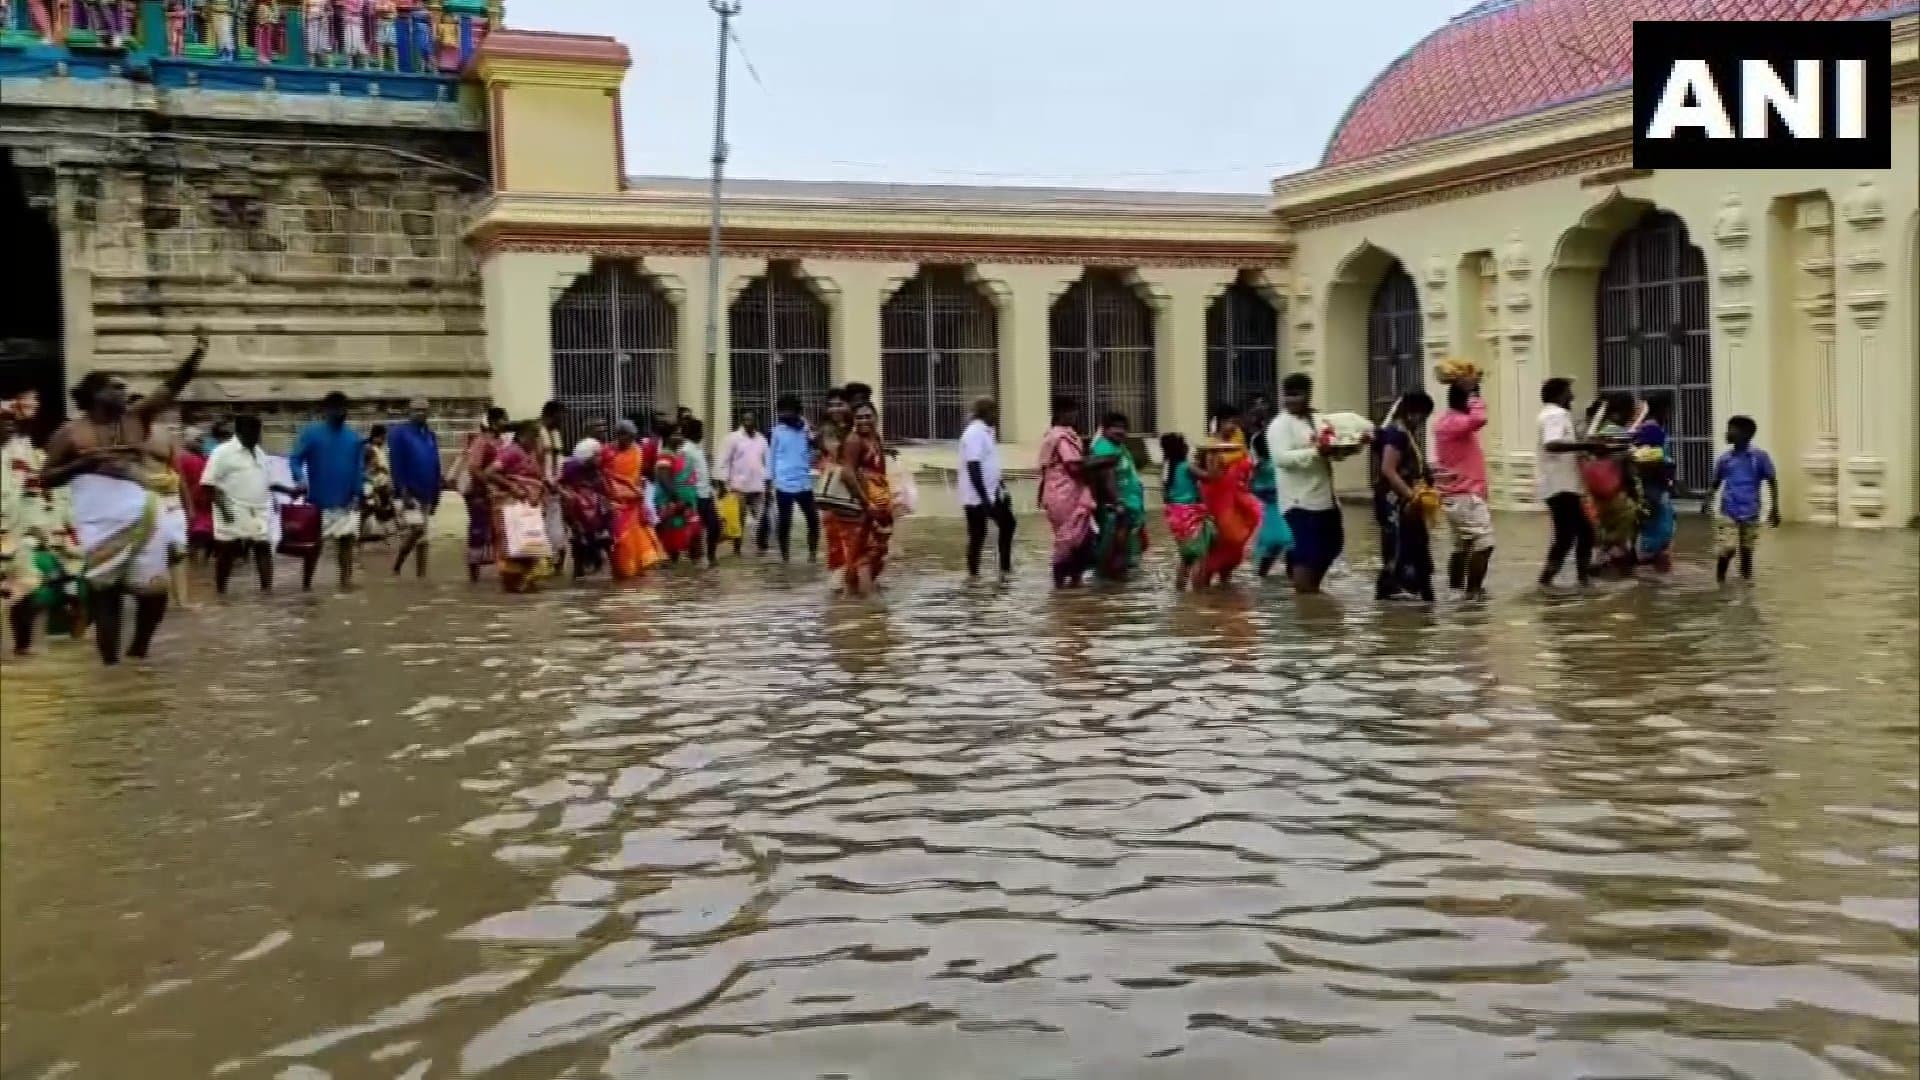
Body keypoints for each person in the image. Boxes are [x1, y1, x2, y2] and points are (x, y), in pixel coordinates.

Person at [40, 328, 208, 665]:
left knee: (155, 595)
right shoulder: (70, 433)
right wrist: (84, 464)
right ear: (95, 394)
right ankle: (112, 671)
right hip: (99, 523)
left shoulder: (135, 419)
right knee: (107, 598)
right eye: (115, 387)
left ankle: (138, 654)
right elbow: (44, 478)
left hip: (144, 514)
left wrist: (196, 356)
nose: (124, 391)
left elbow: (170, 388)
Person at [2, 390, 84, 656]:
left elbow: (35, 499)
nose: (8, 426)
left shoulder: (27, 456)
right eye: (4, 421)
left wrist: (49, 536)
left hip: (20, 539)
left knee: (28, 594)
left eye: (12, 422)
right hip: (10, 537)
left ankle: (22, 650)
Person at [1267, 372, 1358, 595]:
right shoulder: (1279, 426)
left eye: (1297, 395)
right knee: (1306, 553)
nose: (1291, 400)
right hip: (1299, 502)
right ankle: (1303, 599)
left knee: (1332, 546)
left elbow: (1333, 450)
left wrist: (1348, 448)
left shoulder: (1318, 420)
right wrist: (1315, 452)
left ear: (1308, 395)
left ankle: (1311, 592)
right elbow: (1281, 459)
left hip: (1326, 498)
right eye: (1287, 395)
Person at [203, 414, 299, 594]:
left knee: (263, 548)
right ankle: (221, 592)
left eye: (258, 433)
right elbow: (208, 484)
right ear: (240, 432)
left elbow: (268, 482)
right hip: (231, 509)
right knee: (226, 553)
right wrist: (224, 511)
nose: (257, 437)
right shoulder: (222, 452)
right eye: (253, 433)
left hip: (259, 511)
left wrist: (290, 491)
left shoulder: (259, 452)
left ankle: (266, 592)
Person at [288, 391, 367, 591]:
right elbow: (295, 459)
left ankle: (345, 583)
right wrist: (300, 478)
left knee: (347, 543)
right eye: (335, 409)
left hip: (347, 502)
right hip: (318, 502)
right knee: (313, 547)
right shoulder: (311, 433)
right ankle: (306, 585)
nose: (340, 413)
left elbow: (358, 469)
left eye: (343, 409)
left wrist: (358, 494)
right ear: (326, 410)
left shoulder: (353, 438)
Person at [1535, 377, 1609, 590]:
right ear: (1559, 394)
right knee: (1579, 534)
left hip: (1559, 484)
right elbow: (1552, 444)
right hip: (1561, 486)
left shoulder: (1549, 415)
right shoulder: (1555, 416)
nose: (1572, 397)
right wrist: (1586, 445)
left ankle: (1557, 580)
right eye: (1569, 392)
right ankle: (1575, 580)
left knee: (1571, 535)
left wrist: (1584, 447)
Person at [1372, 391, 1438, 601]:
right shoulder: (1397, 433)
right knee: (1399, 545)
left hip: (1406, 500)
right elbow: (1388, 470)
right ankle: (1395, 588)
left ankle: (1418, 590)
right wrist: (1411, 496)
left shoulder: (1405, 432)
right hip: (1397, 501)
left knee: (1416, 543)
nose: (1422, 421)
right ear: (1413, 412)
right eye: (1423, 415)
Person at [1433, 373, 1494, 597]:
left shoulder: (1445, 422)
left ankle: (1456, 592)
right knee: (1484, 544)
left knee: (1462, 547)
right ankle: (1473, 593)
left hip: (1456, 495)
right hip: (1464, 495)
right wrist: (1474, 394)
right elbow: (1479, 420)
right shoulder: (1454, 422)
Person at [1193, 405, 1263, 589]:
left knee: (1235, 545)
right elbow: (1210, 473)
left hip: (1238, 497)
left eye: (1235, 421)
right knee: (1221, 539)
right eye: (1229, 422)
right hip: (1216, 499)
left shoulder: (1238, 441)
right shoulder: (1210, 445)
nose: (1233, 426)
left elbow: (1247, 465)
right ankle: (1202, 590)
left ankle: (1225, 590)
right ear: (1220, 422)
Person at [1703, 414, 1779, 585]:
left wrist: (1775, 509)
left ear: (1745, 434)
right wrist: (1707, 500)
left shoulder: (1759, 457)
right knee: (1728, 548)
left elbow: (1772, 481)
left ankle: (1746, 582)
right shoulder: (1724, 459)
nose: (1727, 433)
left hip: (1751, 511)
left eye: (1731, 430)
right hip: (1728, 510)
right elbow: (1716, 482)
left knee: (1747, 550)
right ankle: (1720, 582)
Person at [481, 420, 554, 593]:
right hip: (512, 509)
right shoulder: (511, 453)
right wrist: (513, 487)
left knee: (530, 547)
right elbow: (489, 472)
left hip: (528, 510)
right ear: (521, 437)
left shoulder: (531, 454)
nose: (536, 440)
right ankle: (514, 586)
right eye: (533, 436)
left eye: (538, 437)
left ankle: (524, 585)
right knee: (514, 548)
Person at [1037, 394, 1096, 588]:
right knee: (1070, 538)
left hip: (1063, 493)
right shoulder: (1059, 437)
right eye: (1072, 411)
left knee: (1079, 538)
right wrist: (1098, 464)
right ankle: (1061, 585)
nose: (1075, 415)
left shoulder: (1063, 435)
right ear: (1061, 413)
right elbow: (1073, 467)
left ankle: (1073, 584)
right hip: (1063, 494)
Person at [837, 400, 893, 596]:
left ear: (876, 418)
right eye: (859, 417)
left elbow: (879, 470)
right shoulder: (854, 440)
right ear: (853, 420)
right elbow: (847, 473)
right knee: (866, 553)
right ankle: (870, 606)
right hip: (862, 504)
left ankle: (849, 594)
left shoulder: (875, 438)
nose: (863, 421)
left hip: (878, 503)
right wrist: (866, 503)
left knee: (878, 550)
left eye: (868, 416)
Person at [1085, 412, 1146, 581]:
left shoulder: (1118, 446)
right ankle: (1113, 587)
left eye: (1124, 428)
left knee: (1121, 550)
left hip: (1128, 505)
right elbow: (1107, 479)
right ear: (1104, 429)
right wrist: (1118, 502)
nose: (1120, 431)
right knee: (1115, 550)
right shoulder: (1104, 449)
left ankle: (1116, 588)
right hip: (1117, 508)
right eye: (1116, 428)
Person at [1586, 392, 1642, 577]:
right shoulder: (1619, 434)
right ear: (1620, 412)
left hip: (1597, 494)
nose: (1631, 416)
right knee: (1621, 535)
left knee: (1605, 528)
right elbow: (1625, 467)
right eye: (1629, 411)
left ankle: (1599, 559)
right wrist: (1634, 493)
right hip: (1616, 492)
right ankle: (1607, 563)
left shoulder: (1598, 432)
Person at [386, 397, 441, 578]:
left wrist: (436, 494)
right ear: (409, 412)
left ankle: (421, 575)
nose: (421, 413)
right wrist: (403, 490)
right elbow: (396, 463)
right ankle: (397, 566)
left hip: (427, 491)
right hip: (409, 492)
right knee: (417, 530)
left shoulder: (430, 435)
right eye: (417, 410)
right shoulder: (399, 433)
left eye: (424, 410)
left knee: (424, 538)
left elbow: (435, 463)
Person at [960, 397, 1014, 578]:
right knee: (978, 535)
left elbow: (989, 464)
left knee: (1008, 524)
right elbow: (973, 466)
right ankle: (974, 574)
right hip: (978, 497)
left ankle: (1004, 569)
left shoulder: (986, 432)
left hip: (992, 492)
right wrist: (984, 498)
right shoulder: (974, 432)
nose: (997, 416)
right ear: (987, 412)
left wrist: (1002, 488)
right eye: (995, 412)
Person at [601, 419, 661, 580]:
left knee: (638, 538)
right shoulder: (607, 452)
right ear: (619, 435)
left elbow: (641, 474)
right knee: (621, 540)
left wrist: (639, 489)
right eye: (628, 437)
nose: (630, 441)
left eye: (633, 437)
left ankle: (636, 571)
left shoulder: (638, 451)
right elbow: (604, 476)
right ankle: (622, 571)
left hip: (634, 502)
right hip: (615, 502)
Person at [766, 392, 820, 562]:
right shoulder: (776, 432)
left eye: (788, 410)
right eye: (782, 411)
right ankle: (785, 557)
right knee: (785, 523)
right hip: (783, 484)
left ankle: (812, 555)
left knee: (813, 521)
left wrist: (810, 433)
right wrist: (769, 483)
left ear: (797, 411)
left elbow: (814, 449)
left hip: (804, 482)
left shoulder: (805, 429)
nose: (784, 414)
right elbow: (771, 457)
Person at [1245, 399, 1293, 578]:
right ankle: (1265, 573)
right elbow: (1253, 467)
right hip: (1270, 495)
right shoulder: (1258, 440)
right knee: (1281, 539)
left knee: (1284, 540)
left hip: (1280, 496)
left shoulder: (1279, 436)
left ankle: (1281, 572)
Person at [1632, 393, 1678, 573]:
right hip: (1653, 490)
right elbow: (1647, 461)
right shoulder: (1652, 430)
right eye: (1669, 409)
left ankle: (1649, 586)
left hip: (1653, 489)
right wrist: (1667, 477)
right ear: (1664, 409)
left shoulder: (1647, 429)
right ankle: (1652, 584)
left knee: (1656, 535)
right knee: (1658, 536)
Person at [1160, 432, 1212, 589]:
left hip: (1174, 514)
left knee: (1186, 554)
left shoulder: (1167, 467)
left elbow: (1165, 495)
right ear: (1180, 448)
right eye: (1185, 445)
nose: (1187, 447)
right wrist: (1212, 458)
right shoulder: (1186, 466)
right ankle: (1198, 595)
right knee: (1198, 555)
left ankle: (1180, 591)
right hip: (1188, 513)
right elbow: (1210, 477)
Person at [462, 407, 508, 583]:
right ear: (495, 422)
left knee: (498, 532)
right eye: (504, 420)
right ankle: (474, 575)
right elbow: (474, 468)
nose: (506, 423)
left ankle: (501, 570)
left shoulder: (500, 442)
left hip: (497, 495)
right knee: (478, 532)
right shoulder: (481, 442)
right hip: (479, 494)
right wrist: (488, 485)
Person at [715, 410, 769, 556]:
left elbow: (767, 462)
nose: (748, 423)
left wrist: (769, 485)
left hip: (758, 486)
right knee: (739, 521)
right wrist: (721, 485)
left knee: (764, 519)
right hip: (739, 486)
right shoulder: (732, 439)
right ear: (741, 421)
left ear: (756, 421)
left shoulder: (762, 439)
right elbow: (723, 461)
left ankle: (761, 550)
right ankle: (737, 550)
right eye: (745, 420)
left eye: (750, 420)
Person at [652, 422, 706, 564]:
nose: (680, 437)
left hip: (687, 502)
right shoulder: (665, 455)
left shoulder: (680, 454)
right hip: (672, 504)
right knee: (672, 542)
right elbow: (664, 480)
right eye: (676, 434)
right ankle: (672, 577)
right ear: (667, 438)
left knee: (694, 537)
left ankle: (693, 578)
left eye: (681, 434)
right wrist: (677, 500)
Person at [559, 440, 613, 578]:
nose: (600, 458)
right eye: (597, 455)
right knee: (579, 544)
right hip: (578, 515)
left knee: (606, 540)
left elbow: (606, 492)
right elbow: (560, 486)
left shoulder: (598, 472)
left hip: (597, 517)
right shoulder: (571, 469)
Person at [817, 388, 855, 573]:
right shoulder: (827, 430)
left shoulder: (856, 427)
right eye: (831, 405)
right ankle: (840, 580)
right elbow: (835, 454)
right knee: (836, 536)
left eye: (839, 404)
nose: (835, 409)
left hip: (856, 489)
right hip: (834, 491)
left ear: (849, 406)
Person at [680, 418, 723, 568]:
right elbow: (684, 475)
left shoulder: (698, 448)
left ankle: (711, 557)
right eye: (699, 431)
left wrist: (713, 485)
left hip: (706, 494)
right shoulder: (686, 450)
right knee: (695, 531)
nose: (701, 434)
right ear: (692, 432)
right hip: (695, 496)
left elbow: (702, 471)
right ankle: (695, 561)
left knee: (715, 526)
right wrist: (686, 498)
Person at [539, 400, 569, 574]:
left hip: (555, 487)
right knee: (542, 529)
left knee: (557, 528)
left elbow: (558, 459)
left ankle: (556, 566)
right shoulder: (538, 433)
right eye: (560, 417)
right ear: (550, 415)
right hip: (540, 488)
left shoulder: (555, 433)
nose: (562, 421)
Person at [360, 422, 396, 543]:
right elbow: (364, 469)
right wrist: (376, 471)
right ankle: (359, 535)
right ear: (376, 436)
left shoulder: (380, 449)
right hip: (371, 485)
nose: (384, 440)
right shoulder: (368, 449)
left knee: (383, 509)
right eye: (382, 437)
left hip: (381, 485)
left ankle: (384, 533)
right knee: (370, 509)